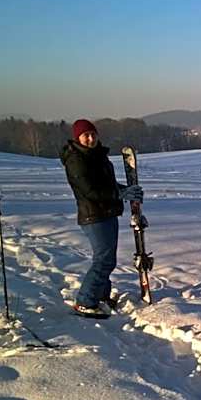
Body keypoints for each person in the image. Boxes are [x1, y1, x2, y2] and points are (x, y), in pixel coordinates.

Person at [60, 119, 143, 316]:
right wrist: (119, 194)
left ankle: (101, 295)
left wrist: (127, 190)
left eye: (93, 134)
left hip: (106, 212)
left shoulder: (96, 156)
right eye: (85, 135)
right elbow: (90, 191)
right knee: (104, 261)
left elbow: (108, 184)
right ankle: (85, 301)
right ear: (77, 138)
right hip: (94, 216)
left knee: (107, 259)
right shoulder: (76, 160)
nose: (90, 138)